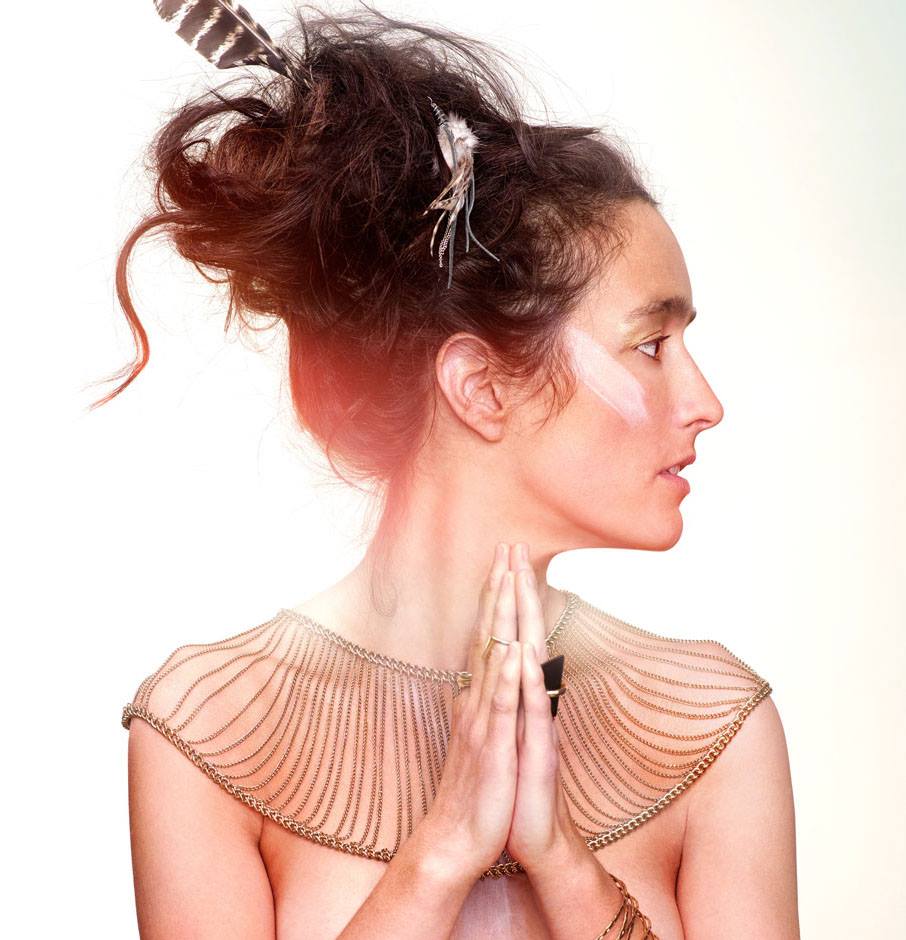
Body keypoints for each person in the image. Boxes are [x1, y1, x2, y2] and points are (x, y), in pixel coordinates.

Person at [100, 4, 799, 938]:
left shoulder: (712, 726)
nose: (705, 402)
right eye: (651, 344)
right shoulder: (212, 729)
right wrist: (439, 855)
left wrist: (563, 860)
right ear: (480, 387)